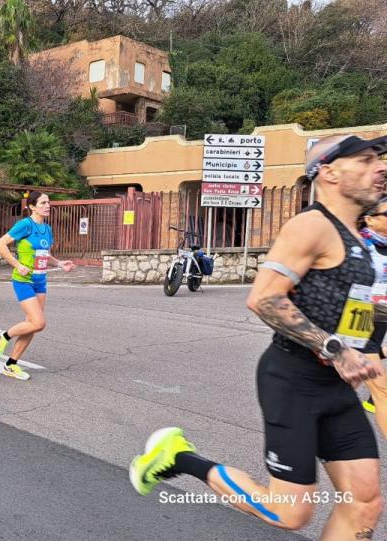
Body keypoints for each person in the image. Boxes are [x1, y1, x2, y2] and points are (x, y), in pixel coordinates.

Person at [130, 135, 387, 540]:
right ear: (330, 171)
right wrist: (336, 350)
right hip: (293, 382)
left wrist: (369, 351)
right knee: (289, 513)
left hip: (335, 388)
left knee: (365, 502)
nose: (381, 167)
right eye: (367, 160)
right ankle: (177, 457)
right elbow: (265, 298)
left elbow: (355, 308)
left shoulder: (357, 238)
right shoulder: (311, 226)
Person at [0, 191, 75, 381]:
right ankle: (3, 336)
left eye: (48, 202)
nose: (47, 205)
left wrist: (60, 263)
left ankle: (11, 364)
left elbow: (44, 254)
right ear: (32, 206)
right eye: (43, 203)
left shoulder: (47, 229)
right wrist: (17, 264)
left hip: (40, 281)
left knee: (32, 326)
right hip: (23, 281)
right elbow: (0, 244)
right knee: (38, 322)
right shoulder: (24, 225)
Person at [357, 197, 387, 420]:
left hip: (382, 314)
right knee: (381, 389)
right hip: (360, 314)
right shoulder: (358, 245)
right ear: (370, 219)